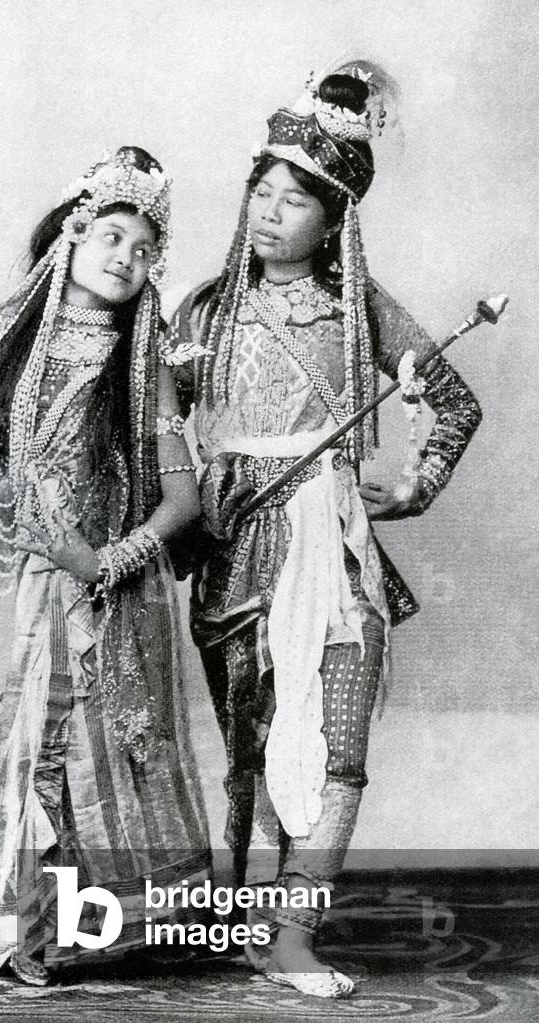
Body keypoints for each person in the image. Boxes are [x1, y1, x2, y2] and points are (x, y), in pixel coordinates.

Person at [166, 66, 482, 998]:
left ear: (333, 213)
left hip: (336, 554)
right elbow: (147, 432)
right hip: (234, 555)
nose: (269, 212)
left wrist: (412, 483)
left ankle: (294, 933)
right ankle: (247, 918)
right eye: (260, 191)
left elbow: (454, 403)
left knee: (340, 745)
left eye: (293, 198)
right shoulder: (202, 312)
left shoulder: (363, 312)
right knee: (259, 750)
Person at [0, 146, 211, 985]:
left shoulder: (142, 362)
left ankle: (89, 932)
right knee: (38, 746)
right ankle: (33, 934)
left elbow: (182, 500)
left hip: (118, 580)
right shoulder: (10, 346)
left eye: (146, 249)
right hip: (49, 581)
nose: (127, 257)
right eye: (112, 235)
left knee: (106, 744)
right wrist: (29, 545)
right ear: (69, 236)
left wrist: (109, 558)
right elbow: (4, 475)